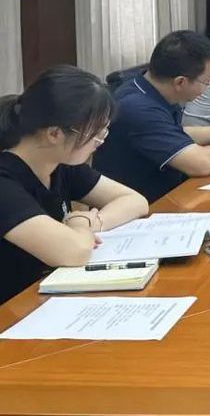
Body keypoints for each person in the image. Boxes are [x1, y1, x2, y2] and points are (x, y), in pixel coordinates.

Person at [0, 66, 149, 304]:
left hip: (48, 293)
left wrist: (89, 221)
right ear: (54, 134)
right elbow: (73, 251)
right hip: (12, 308)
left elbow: (136, 201)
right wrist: (79, 227)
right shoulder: (6, 180)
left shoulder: (59, 162)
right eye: (96, 132)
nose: (101, 140)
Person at [94, 31, 210, 203]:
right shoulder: (138, 108)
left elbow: (177, 133)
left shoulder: (150, 87)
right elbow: (200, 163)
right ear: (180, 82)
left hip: (171, 191)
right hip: (150, 205)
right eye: (207, 81)